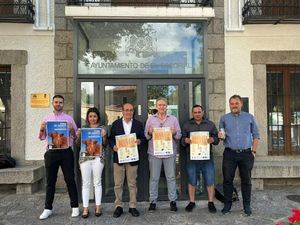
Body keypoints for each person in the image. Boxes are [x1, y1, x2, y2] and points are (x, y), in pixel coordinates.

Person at [38, 95, 79, 220]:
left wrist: (72, 131)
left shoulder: (68, 119)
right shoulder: (46, 119)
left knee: (70, 180)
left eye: (60, 102)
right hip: (51, 153)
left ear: (63, 104)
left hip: (66, 152)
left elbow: (75, 137)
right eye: (56, 102)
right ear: (52, 103)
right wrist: (41, 129)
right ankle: (48, 208)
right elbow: (41, 137)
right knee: (50, 181)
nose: (58, 104)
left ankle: (75, 207)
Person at [219, 94, 260, 216]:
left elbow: (256, 135)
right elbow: (222, 135)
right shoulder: (224, 118)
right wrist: (221, 136)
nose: (234, 106)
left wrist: (253, 151)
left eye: (236, 103)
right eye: (232, 104)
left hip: (246, 154)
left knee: (246, 180)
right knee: (227, 180)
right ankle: (227, 204)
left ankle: (247, 205)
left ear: (241, 104)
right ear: (229, 105)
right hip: (229, 154)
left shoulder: (249, 117)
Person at [145, 97, 181, 212]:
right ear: (156, 106)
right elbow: (146, 136)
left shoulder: (173, 119)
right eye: (159, 105)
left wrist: (175, 132)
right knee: (154, 178)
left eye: (164, 105)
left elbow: (179, 135)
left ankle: (173, 201)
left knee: (171, 177)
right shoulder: (150, 119)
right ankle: (153, 201)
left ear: (167, 106)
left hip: (169, 152)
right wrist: (149, 132)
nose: (161, 107)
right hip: (154, 153)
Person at [109, 103, 146, 218]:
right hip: (119, 158)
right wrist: (113, 146)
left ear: (133, 112)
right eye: (126, 110)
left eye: (131, 110)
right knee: (118, 184)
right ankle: (118, 206)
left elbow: (143, 138)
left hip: (132, 158)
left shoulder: (138, 124)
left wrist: (140, 141)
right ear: (122, 111)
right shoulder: (116, 124)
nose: (128, 112)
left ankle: (132, 206)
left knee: (132, 183)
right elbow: (111, 139)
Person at [181, 105, 219, 213]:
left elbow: (217, 139)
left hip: (207, 158)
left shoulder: (210, 124)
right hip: (192, 158)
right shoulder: (187, 125)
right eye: (195, 112)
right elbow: (182, 141)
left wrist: (213, 139)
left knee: (210, 180)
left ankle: (211, 202)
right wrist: (186, 140)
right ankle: (192, 202)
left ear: (202, 113)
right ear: (192, 113)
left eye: (199, 112)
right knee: (192, 180)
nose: (197, 114)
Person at [76, 107, 107, 218]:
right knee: (86, 183)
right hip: (85, 159)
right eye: (90, 116)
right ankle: (85, 208)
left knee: (97, 182)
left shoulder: (103, 128)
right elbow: (78, 144)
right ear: (87, 118)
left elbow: (105, 144)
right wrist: (78, 135)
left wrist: (104, 136)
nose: (92, 118)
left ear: (97, 117)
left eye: (94, 116)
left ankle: (98, 207)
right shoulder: (83, 128)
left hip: (98, 158)